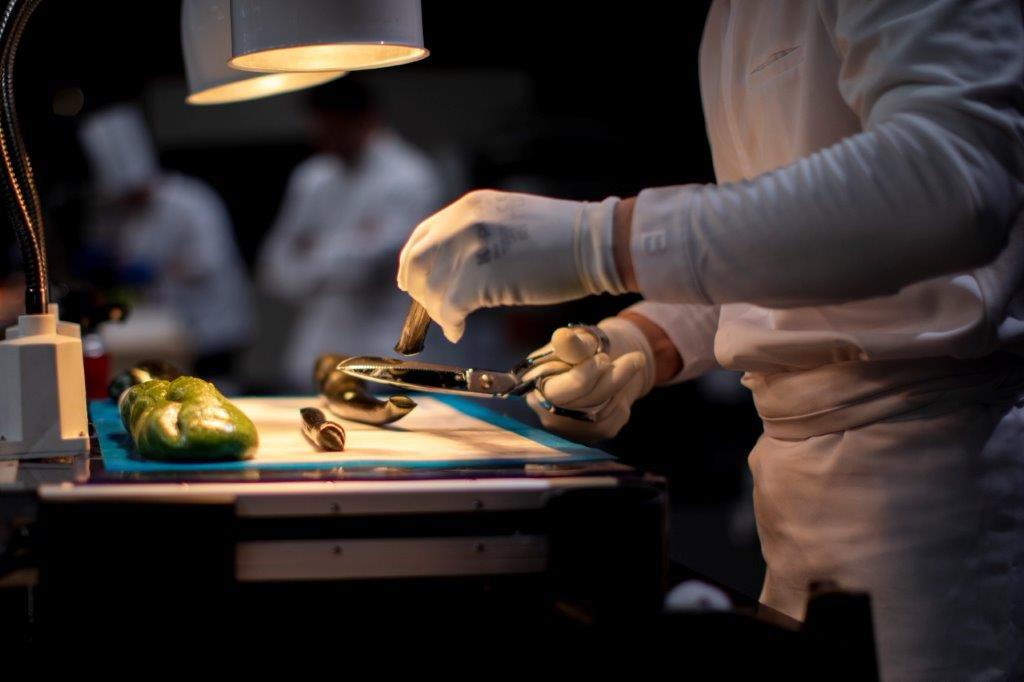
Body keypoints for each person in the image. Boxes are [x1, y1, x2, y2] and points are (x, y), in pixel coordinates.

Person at [395, 0, 1024, 678]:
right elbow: (784, 252)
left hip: (937, 484)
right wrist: (636, 343)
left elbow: (951, 180)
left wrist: (600, 241)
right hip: (788, 486)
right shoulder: (730, 16)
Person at [258, 79, 441, 390]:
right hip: (316, 344)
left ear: (366, 120)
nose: (324, 139)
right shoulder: (311, 178)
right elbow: (275, 267)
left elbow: (371, 265)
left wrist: (314, 251)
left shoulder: (410, 176)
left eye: (334, 128)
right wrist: (350, 245)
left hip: (385, 346)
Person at [79, 104, 253, 380]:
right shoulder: (131, 217)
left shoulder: (192, 202)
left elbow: (208, 260)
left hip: (213, 324)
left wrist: (155, 270)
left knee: (216, 387)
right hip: (170, 326)